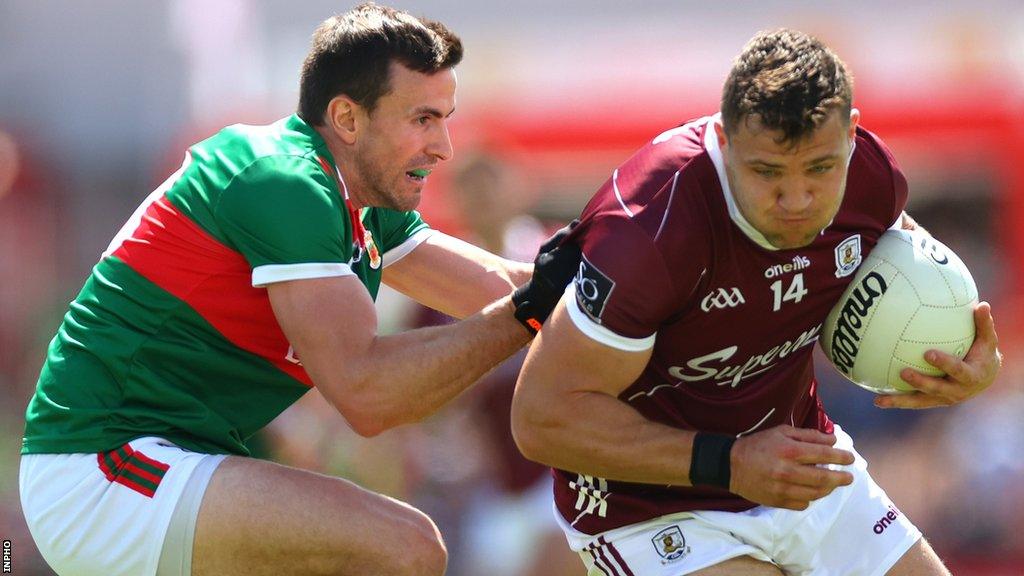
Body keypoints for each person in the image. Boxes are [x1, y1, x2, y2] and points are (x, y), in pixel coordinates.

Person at [18, 4, 577, 576]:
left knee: (396, 546)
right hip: (104, 468)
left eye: (444, 119)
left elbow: (507, 287)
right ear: (348, 119)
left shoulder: (358, 196)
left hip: (166, 464)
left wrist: (618, 287)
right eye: (422, 120)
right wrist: (528, 313)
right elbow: (367, 393)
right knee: (403, 548)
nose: (444, 147)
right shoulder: (287, 181)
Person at [511, 29, 1003, 576]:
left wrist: (956, 348)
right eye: (767, 172)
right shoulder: (650, 232)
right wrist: (731, 462)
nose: (797, 201)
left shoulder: (870, 176)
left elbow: (887, 249)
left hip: (803, 469)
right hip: (652, 511)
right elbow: (541, 418)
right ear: (722, 142)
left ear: (852, 135)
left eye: (820, 168)